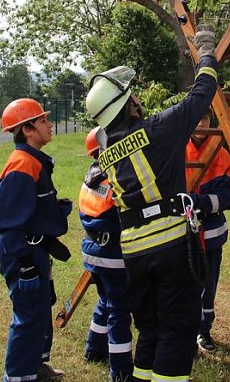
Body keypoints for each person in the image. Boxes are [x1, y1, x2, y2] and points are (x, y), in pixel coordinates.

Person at [84, 23, 218, 382]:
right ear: (127, 105)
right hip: (170, 244)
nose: (138, 101)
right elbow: (202, 93)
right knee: (178, 328)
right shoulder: (158, 130)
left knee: (151, 328)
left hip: (134, 252)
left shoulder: (105, 153)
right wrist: (206, 53)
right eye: (133, 97)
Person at [0, 98, 72, 382]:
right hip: (21, 251)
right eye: (42, 121)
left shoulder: (34, 160)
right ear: (27, 130)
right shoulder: (22, 165)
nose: (49, 125)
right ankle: (17, 377)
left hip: (34, 248)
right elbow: (8, 223)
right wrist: (24, 263)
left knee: (40, 310)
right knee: (28, 316)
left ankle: (36, 367)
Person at [79, 127, 133, 381]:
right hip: (112, 254)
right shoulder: (115, 179)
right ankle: (121, 371)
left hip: (93, 251)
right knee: (119, 310)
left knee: (105, 301)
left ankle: (94, 349)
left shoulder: (91, 176)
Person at [185, 113, 230, 352]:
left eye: (205, 118)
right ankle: (184, 333)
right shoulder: (177, 147)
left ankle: (203, 330)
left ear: (211, 121)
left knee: (208, 285)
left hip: (211, 233)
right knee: (182, 285)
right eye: (197, 117)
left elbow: (228, 192)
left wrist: (202, 203)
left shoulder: (220, 153)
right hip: (181, 234)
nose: (200, 123)